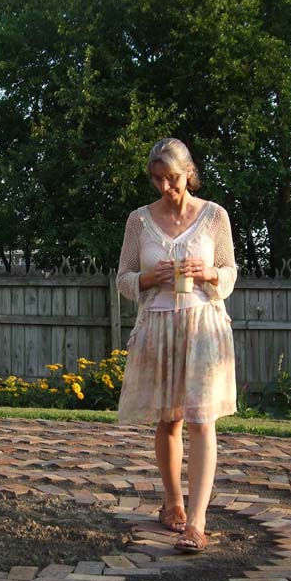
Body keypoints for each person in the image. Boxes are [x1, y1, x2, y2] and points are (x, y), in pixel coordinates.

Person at [116, 137, 237, 553]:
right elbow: (124, 279)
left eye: (172, 178)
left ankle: (198, 523)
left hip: (204, 326)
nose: (166, 187)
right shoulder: (138, 221)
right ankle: (172, 504)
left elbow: (230, 274)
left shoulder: (215, 217)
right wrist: (150, 279)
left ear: (189, 172)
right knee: (169, 421)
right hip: (159, 326)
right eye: (157, 180)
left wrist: (207, 273)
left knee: (203, 420)